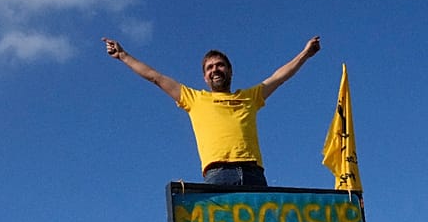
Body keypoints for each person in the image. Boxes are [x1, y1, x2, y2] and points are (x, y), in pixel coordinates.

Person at [102, 35, 321, 186]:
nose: (215, 69)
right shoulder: (194, 99)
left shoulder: (249, 97)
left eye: (220, 65)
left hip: (254, 173)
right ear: (205, 77)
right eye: (209, 67)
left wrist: (305, 54)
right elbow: (155, 77)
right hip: (218, 175)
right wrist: (123, 55)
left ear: (230, 71)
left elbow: (279, 77)